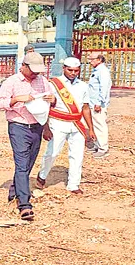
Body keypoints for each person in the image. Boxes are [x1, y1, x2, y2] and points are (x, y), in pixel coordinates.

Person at [0, 52, 55, 221]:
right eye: (33, 70)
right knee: (21, 164)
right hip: (18, 126)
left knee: (28, 163)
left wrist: (52, 101)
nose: (35, 74)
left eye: (38, 71)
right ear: (24, 66)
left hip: (37, 126)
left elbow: (48, 105)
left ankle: (14, 191)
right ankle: (24, 205)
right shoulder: (11, 82)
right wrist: (16, 100)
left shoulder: (43, 81)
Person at [37, 57, 96, 194]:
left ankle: (73, 184)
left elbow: (86, 108)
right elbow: (45, 106)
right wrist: (45, 127)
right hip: (58, 122)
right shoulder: (53, 84)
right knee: (52, 153)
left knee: (77, 155)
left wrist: (91, 129)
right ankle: (42, 175)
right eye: (70, 70)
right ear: (63, 68)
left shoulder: (83, 86)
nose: (73, 73)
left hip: (76, 124)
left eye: (76, 70)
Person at [87, 52, 112, 158]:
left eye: (92, 59)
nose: (90, 61)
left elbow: (104, 88)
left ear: (99, 59)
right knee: (95, 125)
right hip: (93, 102)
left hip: (98, 104)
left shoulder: (103, 71)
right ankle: (97, 145)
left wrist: (99, 102)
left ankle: (103, 148)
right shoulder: (97, 71)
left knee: (100, 125)